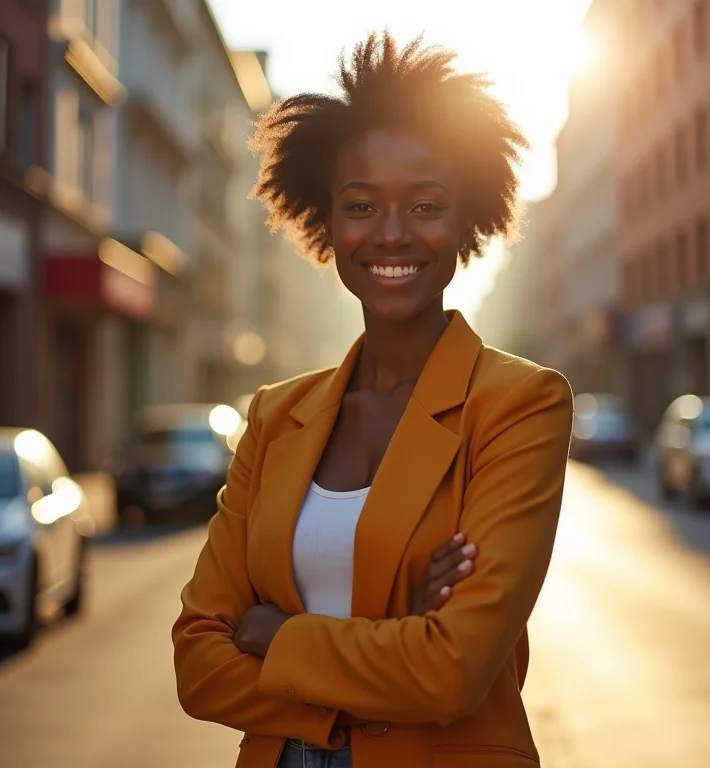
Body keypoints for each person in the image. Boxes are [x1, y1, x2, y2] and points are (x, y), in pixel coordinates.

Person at [172, 31, 573, 768]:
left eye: (426, 205)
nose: (392, 234)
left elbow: (451, 669)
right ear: (326, 220)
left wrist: (276, 636)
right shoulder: (274, 415)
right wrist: (394, 636)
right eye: (361, 206)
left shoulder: (520, 404)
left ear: (467, 220)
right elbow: (197, 665)